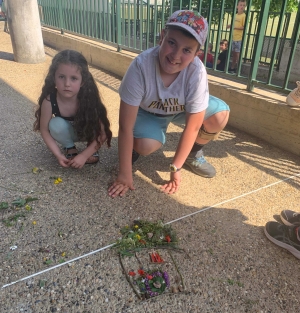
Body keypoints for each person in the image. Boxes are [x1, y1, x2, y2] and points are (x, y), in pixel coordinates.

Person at [108, 10, 230, 198]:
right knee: (145, 146)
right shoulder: (141, 66)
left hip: (181, 110)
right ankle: (134, 147)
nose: (175, 55)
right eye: (172, 43)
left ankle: (192, 154)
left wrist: (176, 166)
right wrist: (124, 174)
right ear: (162, 37)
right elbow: (125, 125)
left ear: (197, 54)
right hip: (149, 112)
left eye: (187, 50)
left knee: (220, 115)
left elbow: (194, 125)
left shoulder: (196, 72)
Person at [33, 49, 112, 168]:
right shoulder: (49, 101)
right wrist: (58, 155)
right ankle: (69, 147)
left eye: (73, 78)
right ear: (54, 78)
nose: (67, 84)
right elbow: (44, 130)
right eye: (61, 77)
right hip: (70, 132)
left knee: (94, 121)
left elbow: (103, 132)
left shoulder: (89, 99)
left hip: (88, 133)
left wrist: (84, 155)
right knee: (55, 124)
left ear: (83, 81)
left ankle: (91, 147)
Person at [227, 0, 246, 73]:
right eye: (240, 5)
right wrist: (230, 26)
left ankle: (238, 69)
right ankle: (232, 68)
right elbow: (233, 24)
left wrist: (233, 27)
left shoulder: (244, 16)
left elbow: (244, 27)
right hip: (233, 38)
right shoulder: (235, 15)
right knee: (234, 54)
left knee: (237, 55)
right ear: (237, 6)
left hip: (239, 38)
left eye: (243, 5)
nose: (242, 7)